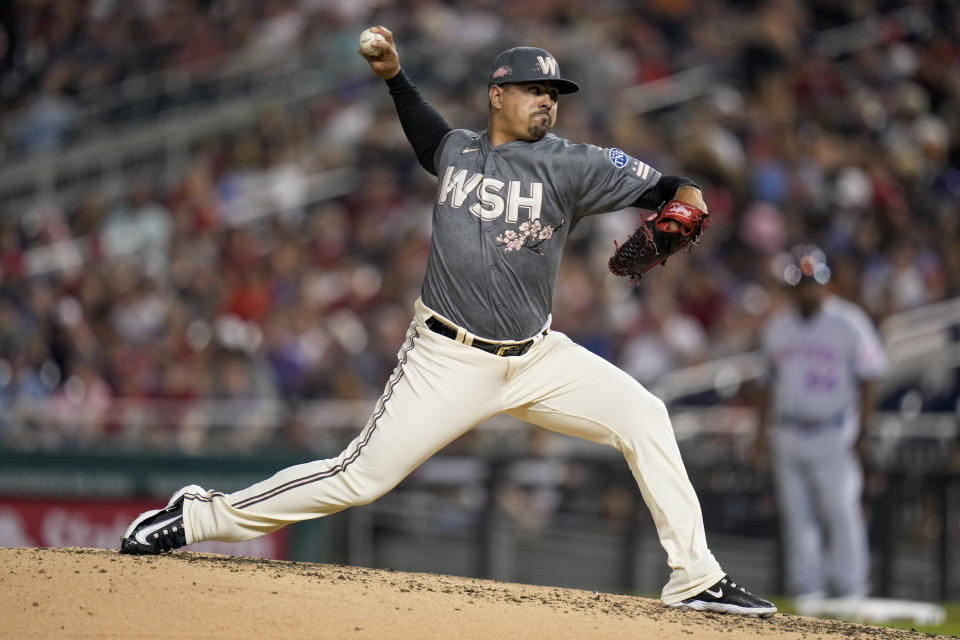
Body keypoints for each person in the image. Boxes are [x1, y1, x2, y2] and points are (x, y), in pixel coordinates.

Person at [120, 26, 776, 617]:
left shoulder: (572, 163)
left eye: (554, 91)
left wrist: (686, 200)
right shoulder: (458, 152)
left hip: (537, 357)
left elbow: (673, 188)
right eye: (532, 89)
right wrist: (393, 77)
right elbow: (424, 134)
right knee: (360, 476)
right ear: (497, 95)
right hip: (447, 358)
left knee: (645, 416)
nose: (547, 100)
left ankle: (696, 577)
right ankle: (201, 516)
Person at [752, 244, 888, 609]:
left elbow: (870, 377)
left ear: (825, 283)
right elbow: (764, 384)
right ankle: (805, 589)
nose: (807, 290)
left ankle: (850, 586)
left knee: (841, 510)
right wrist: (759, 438)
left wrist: (863, 431)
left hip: (833, 431)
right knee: (797, 517)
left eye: (813, 282)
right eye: (800, 284)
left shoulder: (849, 321)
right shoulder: (778, 327)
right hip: (789, 431)